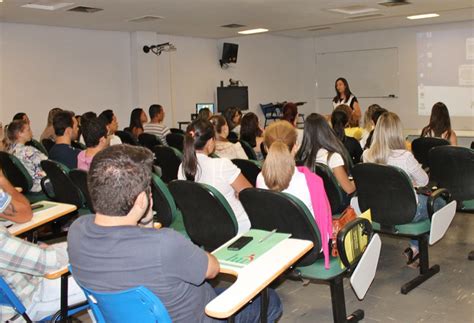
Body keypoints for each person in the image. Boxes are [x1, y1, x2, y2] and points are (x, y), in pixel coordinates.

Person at [68, 144, 281, 323]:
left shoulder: (77, 231)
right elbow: (212, 269)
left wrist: (146, 223)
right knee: (270, 300)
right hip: (203, 316)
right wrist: (148, 220)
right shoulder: (165, 244)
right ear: (142, 201)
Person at [0, 174, 86, 321]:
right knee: (108, 275)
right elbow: (49, 262)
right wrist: (88, 245)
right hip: (27, 303)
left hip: (20, 292)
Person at [363, 112, 444, 265]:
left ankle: (415, 248)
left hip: (377, 210)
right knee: (439, 203)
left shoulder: (367, 155)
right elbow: (424, 180)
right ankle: (417, 246)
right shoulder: (405, 157)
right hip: (406, 211)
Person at [256, 121, 332, 268]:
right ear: (296, 147)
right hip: (310, 252)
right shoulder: (312, 181)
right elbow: (325, 227)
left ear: (265, 148)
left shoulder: (260, 178)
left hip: (274, 247)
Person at [178, 119, 252, 234]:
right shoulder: (222, 165)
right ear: (209, 142)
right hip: (236, 227)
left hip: (203, 227)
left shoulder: (182, 167)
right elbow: (250, 195)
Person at [296, 113, 355, 198]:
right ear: (326, 130)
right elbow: (349, 189)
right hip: (336, 206)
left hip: (313, 201)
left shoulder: (301, 156)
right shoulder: (333, 157)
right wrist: (359, 181)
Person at [6, 120, 47, 192]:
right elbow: (48, 163)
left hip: (22, 187)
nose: (31, 132)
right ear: (20, 134)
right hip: (39, 185)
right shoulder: (28, 151)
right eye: (28, 130)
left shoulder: (8, 151)